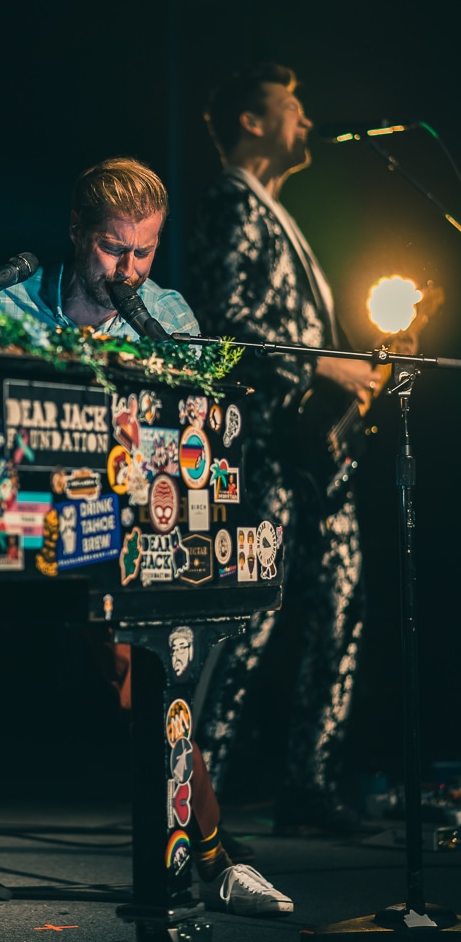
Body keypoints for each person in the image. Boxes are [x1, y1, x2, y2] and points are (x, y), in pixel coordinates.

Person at [0, 158, 292, 928]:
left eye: (142, 251)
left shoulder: (166, 313)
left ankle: (215, 860)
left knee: (139, 671)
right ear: (75, 232)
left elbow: (190, 433)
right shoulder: (3, 300)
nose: (127, 270)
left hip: (109, 526)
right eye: (111, 248)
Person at [188, 65, 377, 835]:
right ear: (252, 120)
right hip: (263, 445)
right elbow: (221, 322)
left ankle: (309, 787)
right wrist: (324, 364)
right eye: (289, 106)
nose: (305, 118)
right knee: (248, 617)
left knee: (340, 609)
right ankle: (192, 797)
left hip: (311, 450)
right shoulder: (230, 201)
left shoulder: (277, 214)